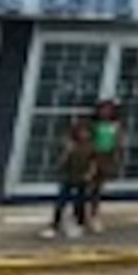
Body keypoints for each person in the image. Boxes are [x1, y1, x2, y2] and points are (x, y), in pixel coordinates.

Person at [44, 118, 94, 240]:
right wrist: (67, 152)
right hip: (68, 175)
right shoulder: (69, 144)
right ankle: (55, 224)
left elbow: (93, 162)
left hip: (82, 176)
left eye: (86, 132)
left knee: (80, 201)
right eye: (82, 132)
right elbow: (60, 163)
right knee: (62, 200)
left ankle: (80, 222)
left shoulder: (90, 146)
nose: (84, 135)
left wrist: (90, 174)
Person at [86, 99, 124, 233]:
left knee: (97, 188)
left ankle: (94, 216)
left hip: (106, 157)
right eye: (103, 109)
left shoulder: (115, 125)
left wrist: (117, 159)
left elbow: (118, 143)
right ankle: (78, 214)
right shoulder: (93, 124)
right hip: (92, 157)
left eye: (109, 110)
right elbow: (88, 140)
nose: (105, 112)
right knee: (85, 186)